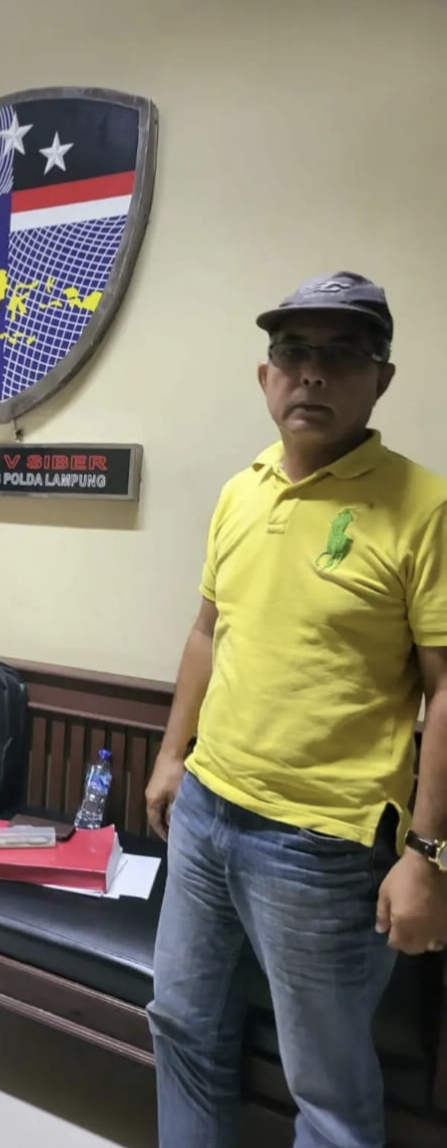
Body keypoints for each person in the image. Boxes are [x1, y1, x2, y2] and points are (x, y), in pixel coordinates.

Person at [144, 272, 447, 1148]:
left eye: (342, 354)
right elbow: (207, 632)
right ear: (265, 375)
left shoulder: (424, 507)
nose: (312, 372)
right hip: (206, 814)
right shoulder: (239, 491)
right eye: (294, 351)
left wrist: (427, 856)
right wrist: (171, 756)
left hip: (323, 848)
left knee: (327, 1093)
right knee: (183, 1029)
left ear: (382, 378)